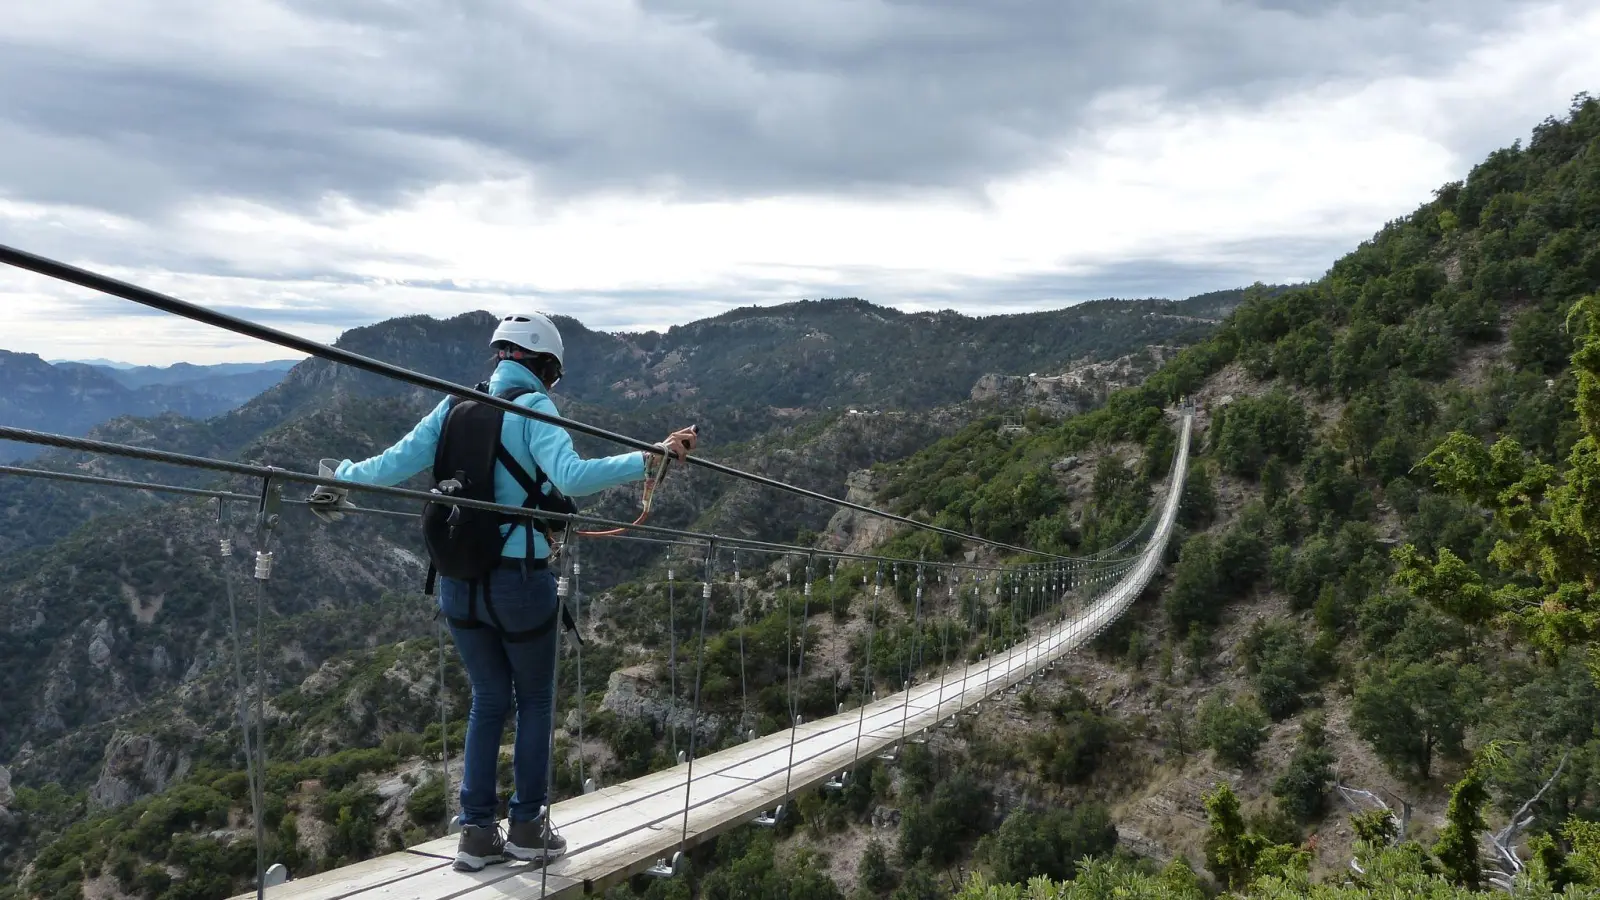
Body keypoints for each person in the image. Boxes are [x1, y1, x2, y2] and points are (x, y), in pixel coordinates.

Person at [316, 312, 696, 872]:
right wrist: (650, 457)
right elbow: (570, 477)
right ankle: (526, 826)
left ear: (501, 356)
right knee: (535, 700)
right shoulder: (533, 408)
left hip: (457, 583)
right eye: (553, 376)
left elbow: (393, 464)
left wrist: (337, 477)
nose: (551, 385)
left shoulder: (453, 406)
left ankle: (475, 834)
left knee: (487, 701)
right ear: (544, 366)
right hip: (519, 582)